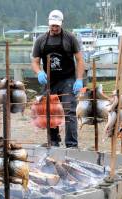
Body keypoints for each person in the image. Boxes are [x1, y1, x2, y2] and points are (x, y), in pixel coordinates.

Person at [31, 9, 85, 148]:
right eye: (52, 26)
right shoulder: (41, 41)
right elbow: (35, 61)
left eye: (57, 26)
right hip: (50, 81)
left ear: (61, 24)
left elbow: (79, 60)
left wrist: (79, 79)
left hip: (67, 79)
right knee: (49, 110)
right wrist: (38, 73)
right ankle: (54, 141)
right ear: (49, 24)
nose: (54, 28)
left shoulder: (70, 38)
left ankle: (72, 145)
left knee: (69, 111)